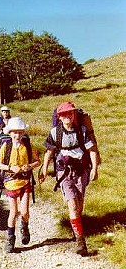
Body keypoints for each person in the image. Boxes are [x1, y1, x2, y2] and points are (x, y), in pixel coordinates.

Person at [39, 101, 99, 256]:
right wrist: (44, 169)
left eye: (70, 113)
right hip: (64, 172)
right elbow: (49, 152)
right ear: (59, 117)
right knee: (72, 205)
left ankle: (76, 228)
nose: (67, 116)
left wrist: (95, 168)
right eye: (64, 114)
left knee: (79, 205)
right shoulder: (55, 133)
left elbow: (91, 150)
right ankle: (80, 241)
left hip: (81, 170)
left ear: (74, 115)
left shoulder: (82, 130)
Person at [0, 117, 41, 253]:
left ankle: (24, 227)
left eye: (20, 132)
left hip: (25, 181)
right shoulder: (6, 146)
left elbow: (37, 161)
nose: (17, 135)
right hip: (11, 182)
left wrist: (29, 166)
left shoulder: (27, 146)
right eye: (14, 132)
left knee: (25, 211)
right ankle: (10, 239)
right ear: (9, 133)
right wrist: (10, 167)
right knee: (14, 211)